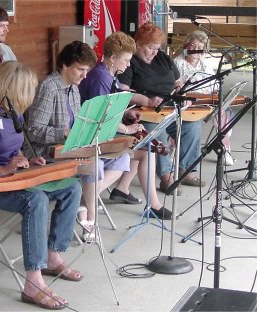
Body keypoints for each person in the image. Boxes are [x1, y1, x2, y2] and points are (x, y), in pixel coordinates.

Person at [0, 61, 82, 310]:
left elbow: (12, 146)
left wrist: (26, 159)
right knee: (35, 200)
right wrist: (2, 169)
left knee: (72, 187)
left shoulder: (11, 108)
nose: (29, 98)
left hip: (11, 174)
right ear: (10, 89)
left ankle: (53, 256)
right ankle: (33, 282)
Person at [25, 41, 131, 241]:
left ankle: (82, 201)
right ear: (65, 66)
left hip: (71, 147)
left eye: (87, 70)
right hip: (47, 152)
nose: (85, 75)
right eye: (80, 69)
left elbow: (77, 124)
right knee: (93, 164)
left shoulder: (73, 88)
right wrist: (65, 133)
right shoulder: (49, 88)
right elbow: (34, 131)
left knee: (122, 158)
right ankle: (90, 218)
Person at [78, 31, 171, 219]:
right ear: (112, 58)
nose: (129, 64)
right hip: (92, 137)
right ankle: (82, 199)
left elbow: (111, 107)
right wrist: (128, 129)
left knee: (144, 150)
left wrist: (127, 113)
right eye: (126, 60)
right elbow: (100, 118)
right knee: (145, 152)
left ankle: (88, 197)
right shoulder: (100, 78)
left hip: (103, 135)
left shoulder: (109, 75)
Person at [118, 23, 206, 195]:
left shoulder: (163, 58)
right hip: (143, 113)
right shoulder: (130, 62)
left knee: (191, 126)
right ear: (138, 44)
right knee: (156, 132)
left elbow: (178, 83)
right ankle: (166, 177)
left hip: (169, 108)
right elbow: (122, 91)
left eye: (157, 48)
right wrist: (146, 100)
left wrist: (182, 94)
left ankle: (184, 169)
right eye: (150, 48)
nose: (154, 52)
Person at [173, 30, 234, 166]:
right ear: (186, 46)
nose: (196, 50)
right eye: (193, 46)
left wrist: (217, 92)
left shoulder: (204, 64)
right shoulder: (177, 63)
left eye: (200, 48)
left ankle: (225, 149)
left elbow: (215, 84)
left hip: (207, 100)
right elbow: (175, 86)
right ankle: (174, 150)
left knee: (224, 111)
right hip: (189, 101)